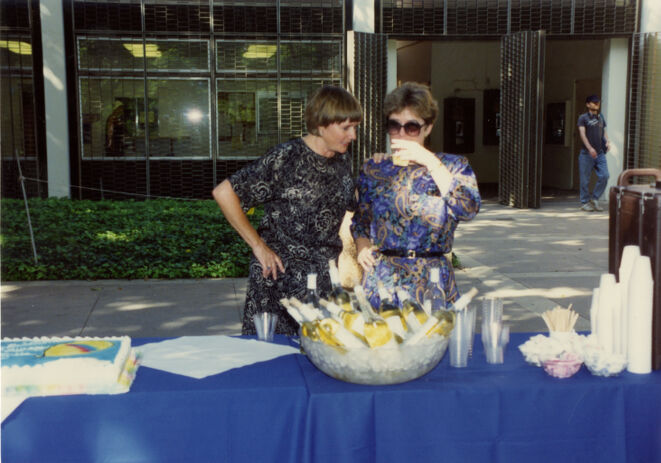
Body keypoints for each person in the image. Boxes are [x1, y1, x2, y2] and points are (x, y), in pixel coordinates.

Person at [212, 86, 362, 336]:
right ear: (322, 124)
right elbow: (224, 193)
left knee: (320, 357)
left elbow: (350, 209)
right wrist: (259, 246)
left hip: (323, 282)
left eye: (355, 127)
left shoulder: (342, 160)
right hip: (279, 282)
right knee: (272, 363)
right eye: (346, 128)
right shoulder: (286, 158)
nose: (353, 135)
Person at [351, 82, 481, 308]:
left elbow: (468, 209)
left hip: (431, 279)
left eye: (411, 127)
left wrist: (430, 162)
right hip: (383, 279)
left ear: (428, 128)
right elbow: (360, 221)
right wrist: (362, 246)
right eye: (394, 126)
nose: (401, 134)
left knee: (433, 341)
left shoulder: (452, 166)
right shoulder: (375, 169)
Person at [577, 94, 610, 212]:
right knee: (585, 179)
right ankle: (585, 202)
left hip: (600, 153)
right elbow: (582, 134)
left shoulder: (601, 117)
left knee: (605, 175)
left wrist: (607, 141)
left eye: (598, 102)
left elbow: (604, 131)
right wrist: (590, 148)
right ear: (587, 104)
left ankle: (595, 199)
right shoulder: (583, 118)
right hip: (587, 153)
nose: (597, 104)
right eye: (594, 102)